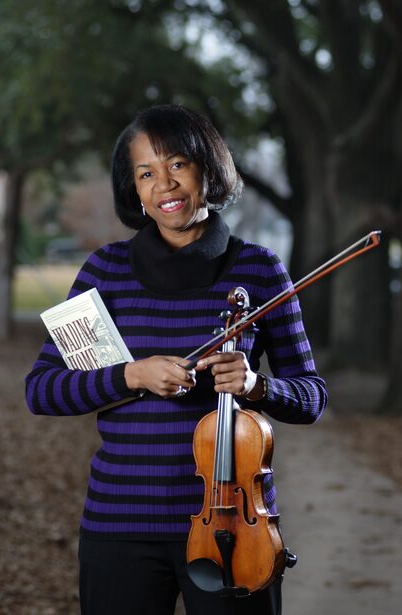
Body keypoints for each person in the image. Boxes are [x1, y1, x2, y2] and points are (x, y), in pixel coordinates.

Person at [25, 104, 327, 615]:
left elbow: (312, 396)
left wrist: (257, 386)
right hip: (120, 523)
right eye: (146, 173)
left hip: (234, 526)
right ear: (135, 191)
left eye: (178, 165)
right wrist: (130, 375)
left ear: (208, 169)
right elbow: (42, 389)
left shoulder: (259, 269)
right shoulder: (106, 271)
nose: (164, 185)